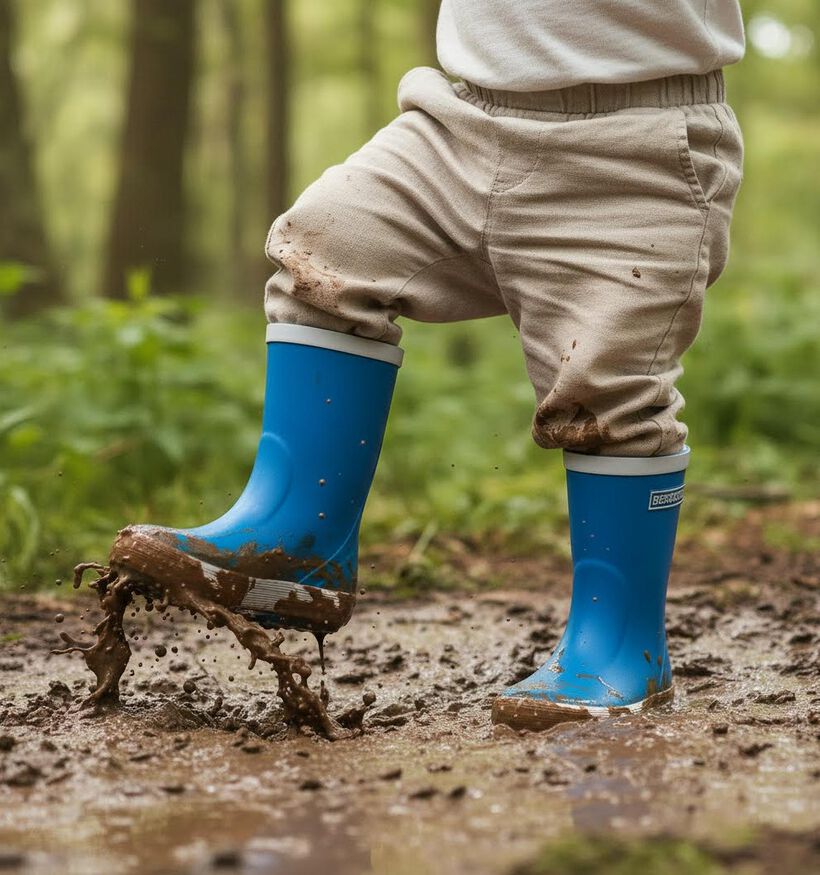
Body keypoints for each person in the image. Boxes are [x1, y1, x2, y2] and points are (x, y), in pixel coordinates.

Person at [110, 1, 745, 730]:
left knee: (610, 391)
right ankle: (295, 537)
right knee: (328, 245)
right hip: (458, 122)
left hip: (635, 142)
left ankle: (620, 644)